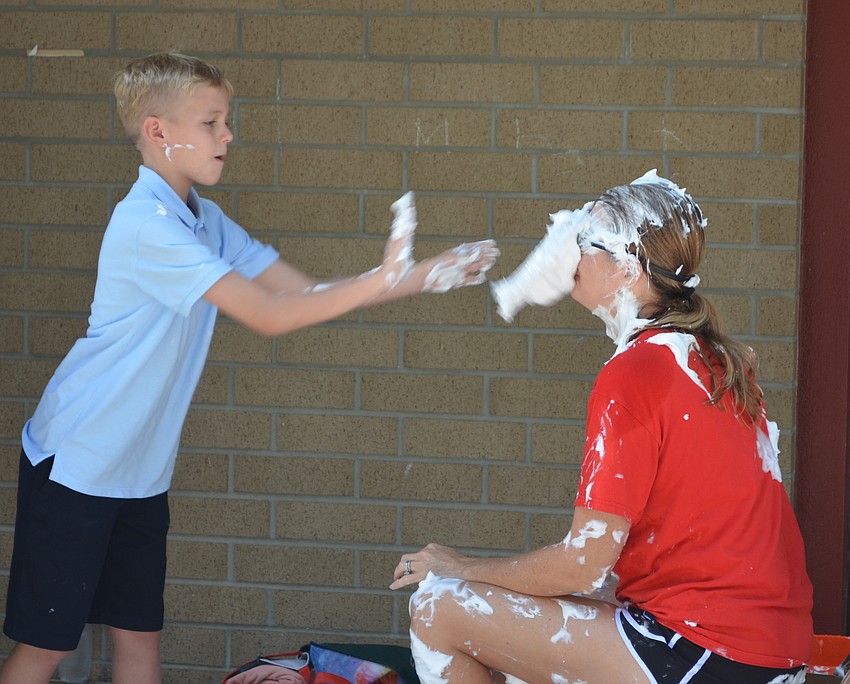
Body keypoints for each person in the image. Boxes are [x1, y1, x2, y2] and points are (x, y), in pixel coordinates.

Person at [0, 52, 499, 684]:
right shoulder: (146, 224)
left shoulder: (204, 221)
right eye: (211, 122)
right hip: (77, 463)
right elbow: (267, 314)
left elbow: (301, 292)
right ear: (158, 132)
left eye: (226, 121)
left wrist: (421, 277)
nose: (227, 135)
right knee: (44, 649)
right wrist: (386, 275)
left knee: (140, 642)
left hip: (140, 474)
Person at [391, 171, 813, 684]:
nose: (569, 253)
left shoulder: (635, 372)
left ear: (628, 270)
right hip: (769, 655)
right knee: (527, 636)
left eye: (585, 243)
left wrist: (461, 567)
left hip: (705, 651)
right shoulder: (715, 361)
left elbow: (583, 564)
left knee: (440, 607)